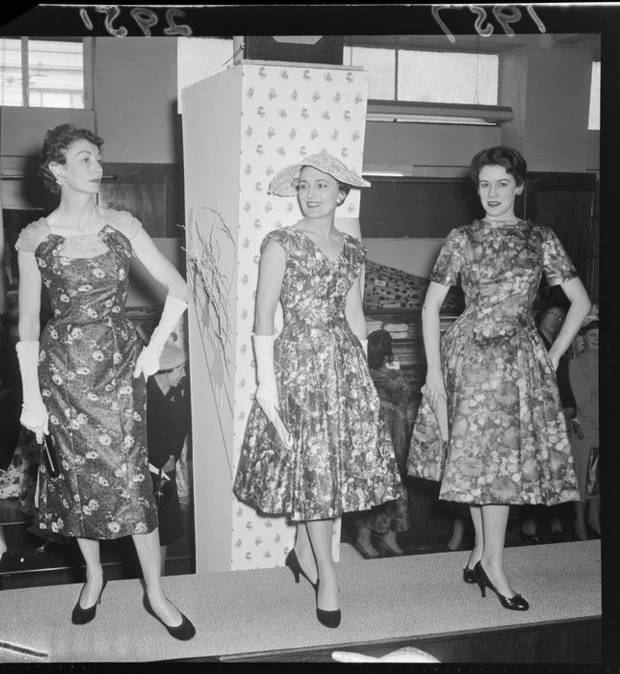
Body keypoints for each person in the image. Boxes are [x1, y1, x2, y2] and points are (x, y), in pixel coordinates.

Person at [15, 123, 195, 639]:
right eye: (85, 158)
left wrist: (156, 347)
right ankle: (93, 578)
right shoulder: (36, 239)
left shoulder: (121, 226)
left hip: (119, 367)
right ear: (57, 170)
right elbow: (28, 324)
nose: (97, 167)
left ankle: (155, 594)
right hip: (63, 372)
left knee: (132, 477)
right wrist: (32, 398)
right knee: (74, 479)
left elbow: (178, 288)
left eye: (97, 158)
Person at [408, 145, 591, 611]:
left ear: (520, 186)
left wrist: (551, 355)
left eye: (502, 184)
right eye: (484, 184)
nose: (491, 193)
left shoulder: (539, 237)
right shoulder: (462, 237)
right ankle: (492, 564)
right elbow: (430, 307)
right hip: (469, 357)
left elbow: (581, 303)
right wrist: (432, 372)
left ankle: (483, 557)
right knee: (476, 459)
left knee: (498, 464)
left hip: (517, 360)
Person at [233, 153, 403, 628]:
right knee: (313, 472)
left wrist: (364, 377)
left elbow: (354, 314)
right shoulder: (281, 242)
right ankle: (328, 575)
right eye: (305, 185)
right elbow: (264, 316)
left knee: (331, 472)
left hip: (343, 365)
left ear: (341, 194)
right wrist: (266, 384)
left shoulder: (352, 248)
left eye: (321, 186)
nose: (310, 193)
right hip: (297, 366)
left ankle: (301, 553)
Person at [347, 329, 411, 558]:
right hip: (386, 438)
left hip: (382, 438)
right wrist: (398, 375)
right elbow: (404, 395)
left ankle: (383, 537)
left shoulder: (364, 371)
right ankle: (374, 538)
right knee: (386, 487)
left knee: (382, 487)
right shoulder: (388, 376)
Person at [519, 302, 577, 544]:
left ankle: (555, 520)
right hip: (538, 411)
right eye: (551, 315)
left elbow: (566, 382)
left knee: (557, 467)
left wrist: (571, 408)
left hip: (561, 409)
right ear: (541, 317)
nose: (555, 320)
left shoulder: (563, 345)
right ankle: (529, 524)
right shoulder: (533, 341)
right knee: (536, 469)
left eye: (561, 317)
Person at [142, 326, 190, 574]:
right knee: (146, 529)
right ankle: (147, 576)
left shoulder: (179, 392)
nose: (183, 374)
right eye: (179, 370)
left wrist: (172, 456)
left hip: (167, 469)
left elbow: (181, 426)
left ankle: (160, 576)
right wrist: (160, 460)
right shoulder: (143, 397)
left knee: (167, 529)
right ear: (163, 372)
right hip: (146, 470)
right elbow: (142, 435)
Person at [568, 320, 600, 540]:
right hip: (587, 428)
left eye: (601, 334)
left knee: (598, 478)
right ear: (584, 338)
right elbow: (583, 401)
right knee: (582, 477)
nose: (597, 339)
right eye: (592, 335)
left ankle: (594, 519)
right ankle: (579, 522)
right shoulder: (577, 364)